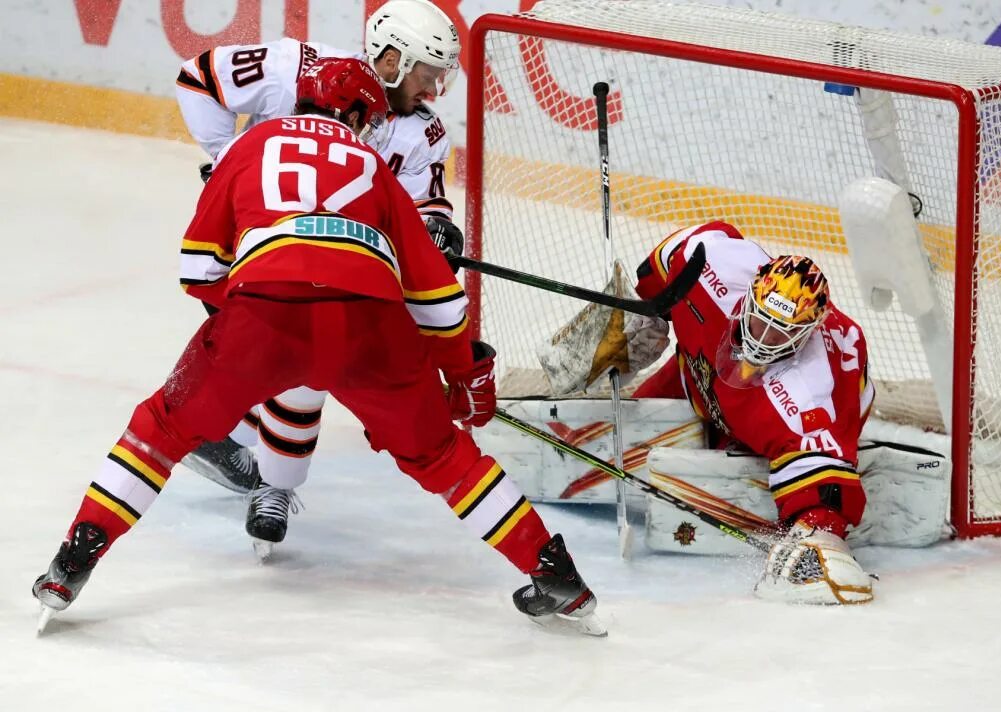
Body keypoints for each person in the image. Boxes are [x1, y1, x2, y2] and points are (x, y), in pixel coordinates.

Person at [32, 57, 602, 636]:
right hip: (371, 329)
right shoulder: (374, 166)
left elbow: (199, 270)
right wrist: (463, 371)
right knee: (443, 457)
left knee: (161, 428)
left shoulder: (249, 147)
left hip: (262, 317)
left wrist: (249, 320)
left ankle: (72, 561)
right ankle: (554, 571)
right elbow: (440, 304)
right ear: (354, 112)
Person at [174, 0, 466, 547]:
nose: (431, 91)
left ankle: (236, 446)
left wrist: (437, 230)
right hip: (262, 238)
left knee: (302, 351)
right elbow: (199, 79)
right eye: (427, 75)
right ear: (391, 60)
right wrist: (225, 161)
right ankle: (267, 478)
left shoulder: (423, 133)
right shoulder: (296, 67)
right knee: (297, 351)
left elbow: (427, 202)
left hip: (338, 253)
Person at [627, 220, 875, 604]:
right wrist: (651, 309)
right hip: (700, 376)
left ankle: (742, 442)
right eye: (759, 322)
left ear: (804, 334)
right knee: (648, 403)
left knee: (783, 451)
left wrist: (820, 530)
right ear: (751, 298)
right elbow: (686, 245)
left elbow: (827, 492)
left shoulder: (809, 394)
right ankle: (712, 417)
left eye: (779, 334)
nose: (762, 339)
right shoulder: (714, 267)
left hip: (811, 409)